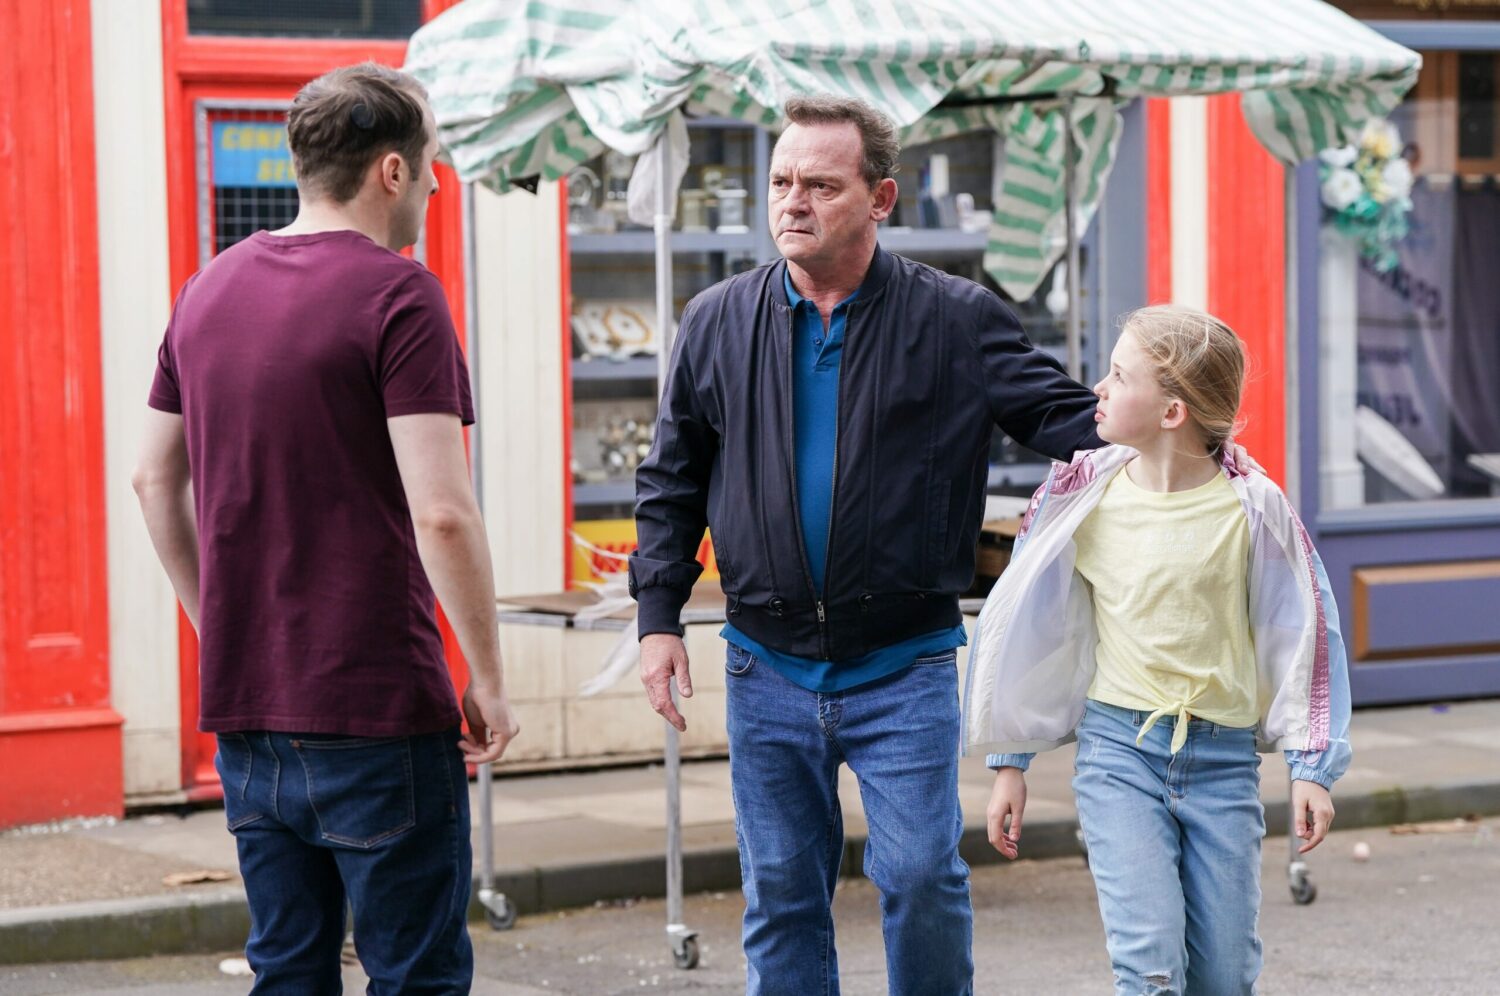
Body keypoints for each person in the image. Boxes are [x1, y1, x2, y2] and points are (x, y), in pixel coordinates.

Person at [629, 93, 1106, 995]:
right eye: (781, 181)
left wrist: (1185, 435)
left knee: (921, 878)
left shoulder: (958, 319)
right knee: (781, 895)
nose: (792, 201)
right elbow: (671, 480)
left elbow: (1075, 422)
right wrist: (658, 618)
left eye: (820, 184)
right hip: (764, 663)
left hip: (903, 664)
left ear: (881, 198)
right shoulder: (716, 319)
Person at [132, 62, 519, 994]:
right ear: (392, 170)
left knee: (289, 971)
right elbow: (442, 512)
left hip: (249, 712)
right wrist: (489, 678)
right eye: (431, 161)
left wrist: (218, 624)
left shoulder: (206, 289)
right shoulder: (401, 294)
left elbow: (151, 478)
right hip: (376, 707)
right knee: (415, 976)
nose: (436, 183)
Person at [965, 305, 1351, 995]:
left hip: (1222, 764)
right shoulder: (1080, 495)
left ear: (1172, 412)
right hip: (1117, 756)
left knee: (1223, 975)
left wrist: (1310, 767)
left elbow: (1303, 633)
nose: (1098, 388)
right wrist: (1010, 762)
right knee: (1149, 968)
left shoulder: (1254, 509)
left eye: (1119, 376)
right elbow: (1030, 627)